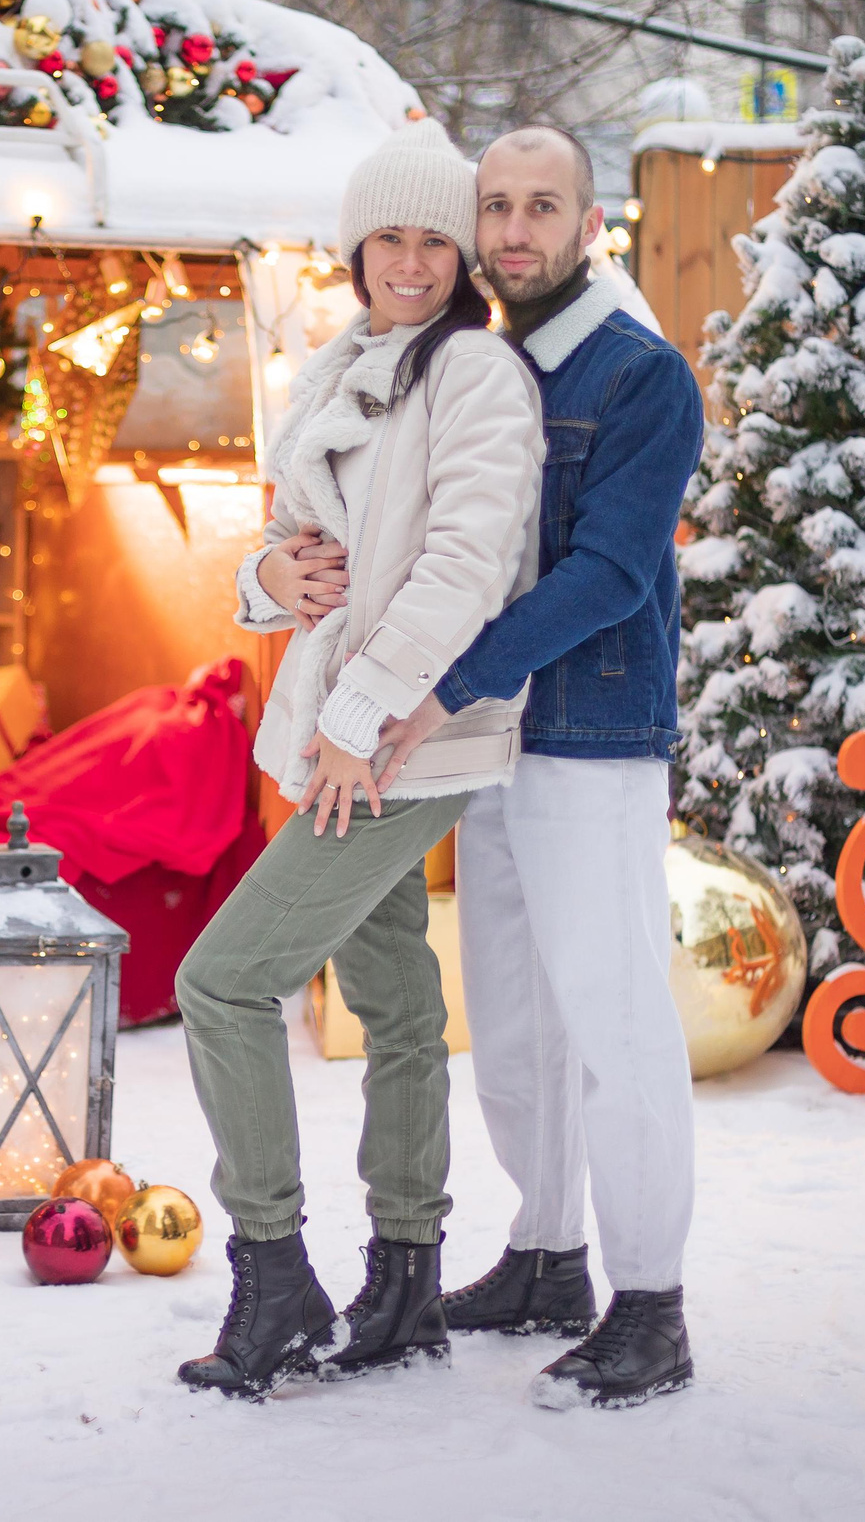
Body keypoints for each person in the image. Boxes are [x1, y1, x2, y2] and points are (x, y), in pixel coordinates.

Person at [172, 119, 545, 1399]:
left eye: (433, 238)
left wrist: (361, 718)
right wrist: (263, 577)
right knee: (395, 1011)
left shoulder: (476, 377)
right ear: (355, 249)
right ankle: (404, 1277)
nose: (409, 259)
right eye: (387, 235)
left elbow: (465, 566)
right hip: (341, 730)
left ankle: (273, 1274)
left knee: (221, 983)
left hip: (400, 743)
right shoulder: (340, 368)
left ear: (462, 254)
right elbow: (287, 551)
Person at [376, 125, 704, 1409]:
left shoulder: (639, 377)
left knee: (614, 1020)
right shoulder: (479, 365)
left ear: (587, 224)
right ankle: (545, 1254)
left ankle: (652, 1305)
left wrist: (446, 677)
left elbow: (611, 574)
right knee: (514, 1022)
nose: (513, 231)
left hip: (589, 735)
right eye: (495, 207)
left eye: (541, 208)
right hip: (487, 745)